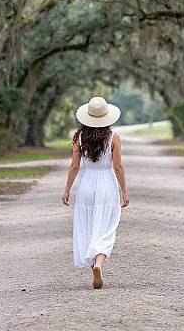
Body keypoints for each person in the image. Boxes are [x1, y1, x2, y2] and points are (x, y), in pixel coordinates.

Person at [61, 96, 129, 289]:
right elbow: (118, 167)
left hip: (87, 185)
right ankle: (99, 263)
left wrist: (67, 190)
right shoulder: (114, 138)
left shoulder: (79, 137)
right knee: (106, 226)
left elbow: (74, 167)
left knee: (89, 224)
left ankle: (94, 266)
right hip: (107, 184)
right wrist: (124, 192)